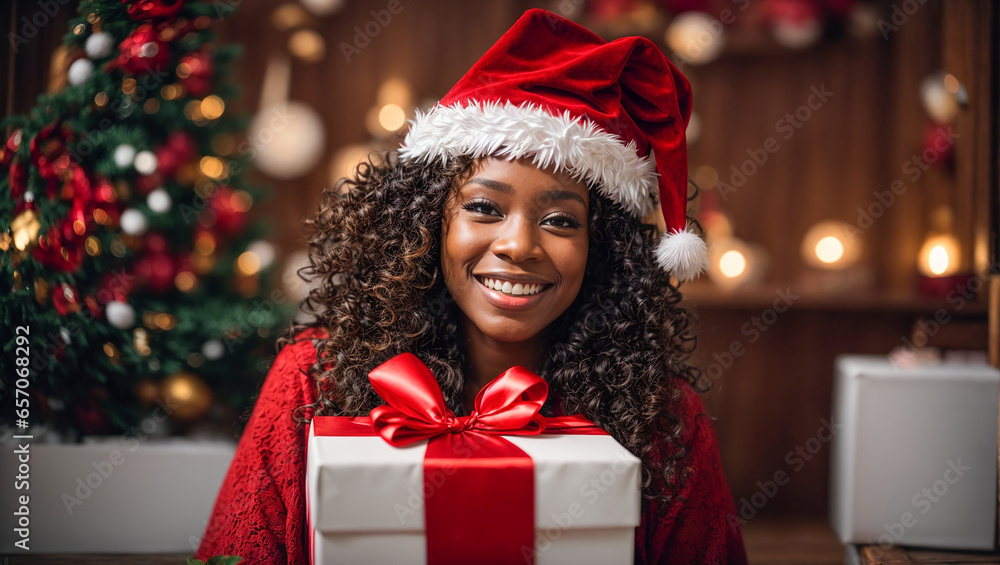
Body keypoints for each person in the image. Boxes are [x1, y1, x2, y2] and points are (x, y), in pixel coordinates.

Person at [196, 8, 747, 565]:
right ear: (429, 223)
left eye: (560, 221)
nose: (518, 246)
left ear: (601, 248)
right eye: (483, 208)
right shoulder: (313, 381)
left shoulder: (663, 413)